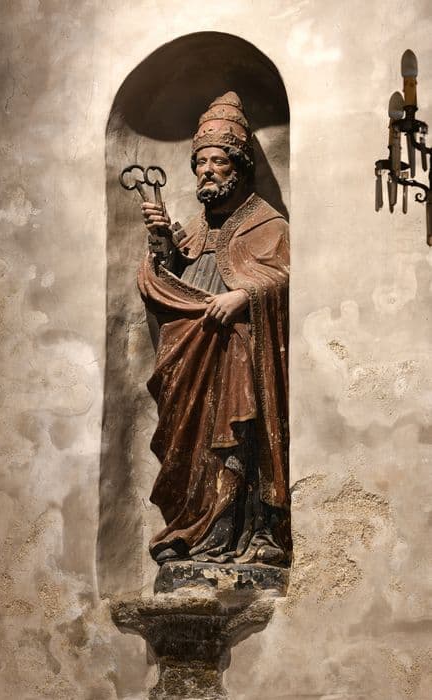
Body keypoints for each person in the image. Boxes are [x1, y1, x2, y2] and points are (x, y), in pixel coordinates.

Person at [137, 92, 291, 566]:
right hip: (191, 362)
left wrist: (245, 296)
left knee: (236, 439)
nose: (206, 170)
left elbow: (285, 278)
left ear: (239, 167)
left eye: (218, 161)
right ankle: (192, 526)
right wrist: (162, 244)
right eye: (200, 162)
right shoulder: (193, 231)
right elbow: (166, 288)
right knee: (192, 444)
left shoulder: (267, 224)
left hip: (239, 357)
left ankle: (240, 531)